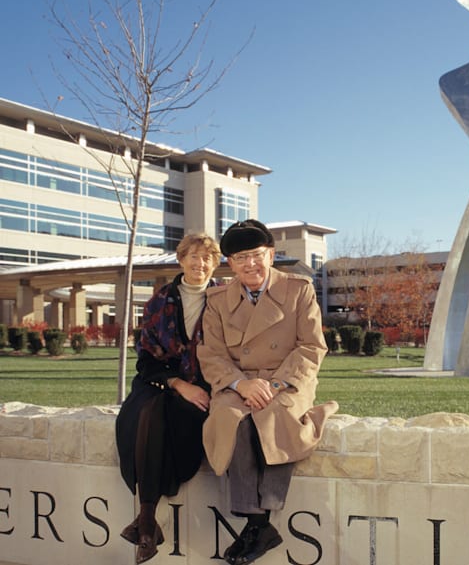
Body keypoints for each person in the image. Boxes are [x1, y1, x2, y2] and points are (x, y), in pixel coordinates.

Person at [198, 219, 338, 565]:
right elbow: (211, 354)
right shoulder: (216, 299)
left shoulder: (298, 288)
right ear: (229, 263)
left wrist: (274, 385)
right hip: (238, 382)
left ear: (271, 254)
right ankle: (258, 523)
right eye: (241, 258)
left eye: (257, 255)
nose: (250, 264)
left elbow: (311, 347)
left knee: (272, 417)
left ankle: (258, 524)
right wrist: (241, 384)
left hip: (288, 380)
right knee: (232, 418)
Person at [115, 233, 221, 564]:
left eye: (206, 258)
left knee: (169, 415)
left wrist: (196, 386)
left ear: (214, 264)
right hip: (160, 381)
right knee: (147, 410)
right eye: (193, 256)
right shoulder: (159, 301)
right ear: (181, 259)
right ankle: (147, 518)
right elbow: (146, 358)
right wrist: (176, 382)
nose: (199, 263)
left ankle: (146, 521)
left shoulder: (225, 300)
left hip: (208, 385)